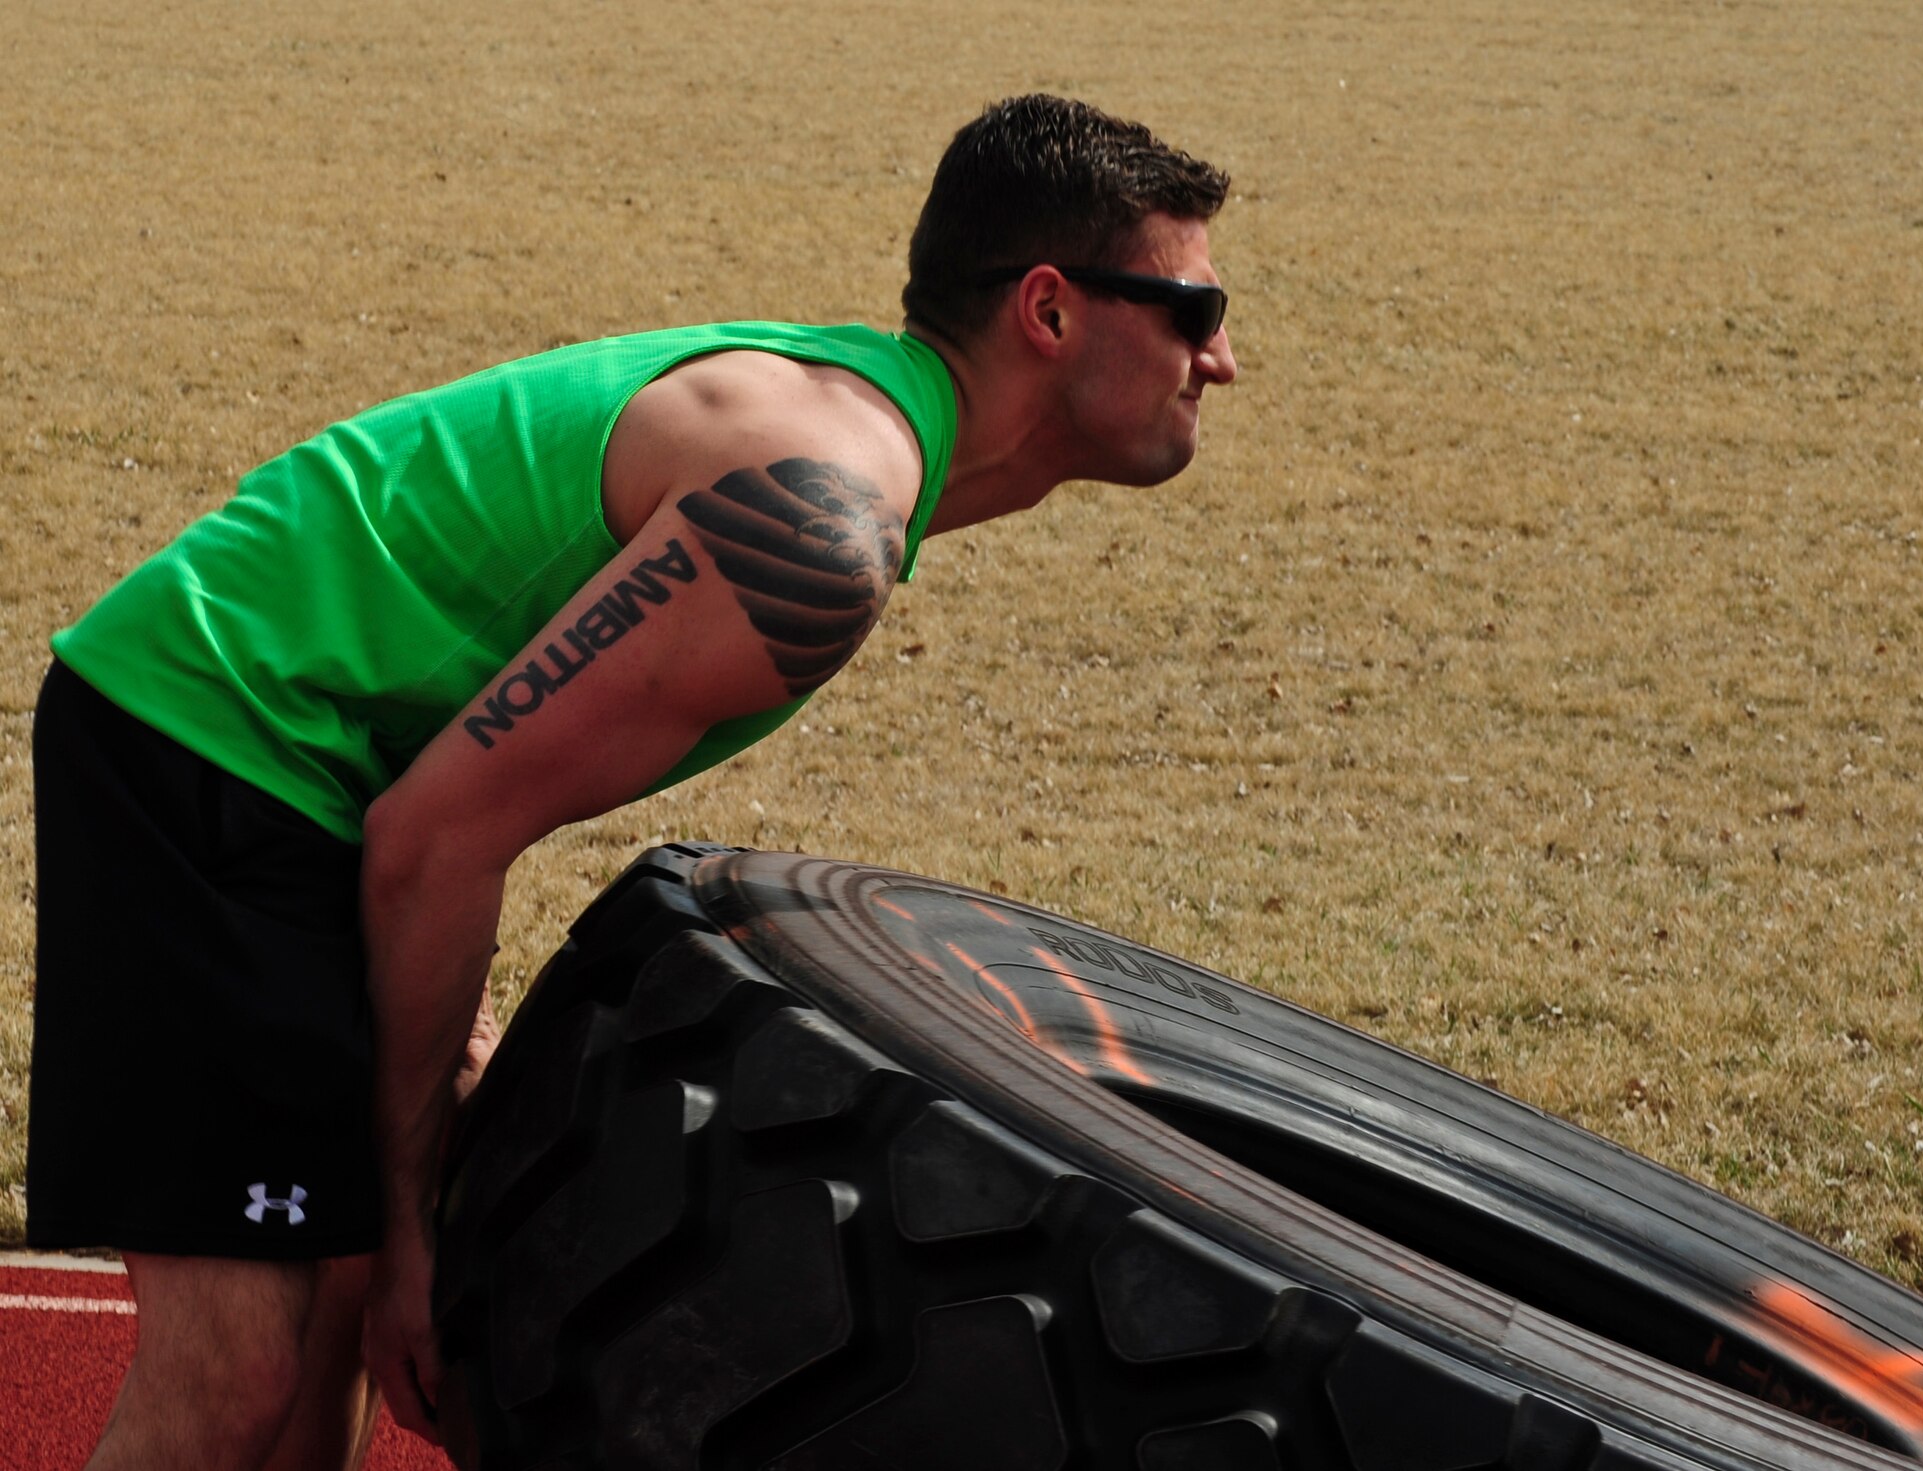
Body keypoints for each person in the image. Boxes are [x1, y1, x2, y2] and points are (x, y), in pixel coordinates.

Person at [26, 92, 1236, 1469]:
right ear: (1050, 308)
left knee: (331, 1333)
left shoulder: (857, 425)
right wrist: (422, 1214)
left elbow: (448, 786)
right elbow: (439, 835)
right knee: (236, 1377)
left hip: (317, 758)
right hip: (210, 735)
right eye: (1194, 312)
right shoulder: (815, 528)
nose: (1224, 358)